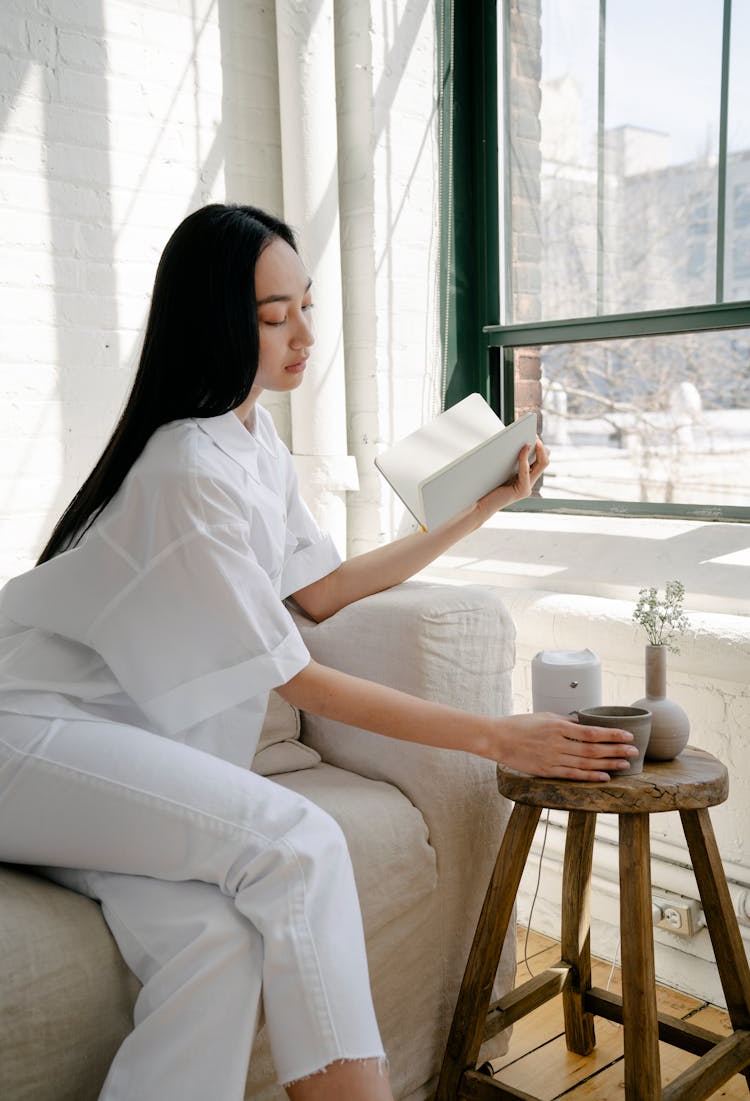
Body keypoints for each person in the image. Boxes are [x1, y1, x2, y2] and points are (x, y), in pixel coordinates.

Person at [0, 204, 637, 1101]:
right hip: (23, 734)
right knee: (298, 840)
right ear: (216, 322)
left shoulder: (253, 446)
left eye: (306, 304)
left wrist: (480, 506)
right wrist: (497, 735)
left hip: (106, 758)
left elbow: (323, 593)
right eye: (272, 316)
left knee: (216, 946)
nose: (302, 334)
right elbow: (295, 676)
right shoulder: (185, 466)